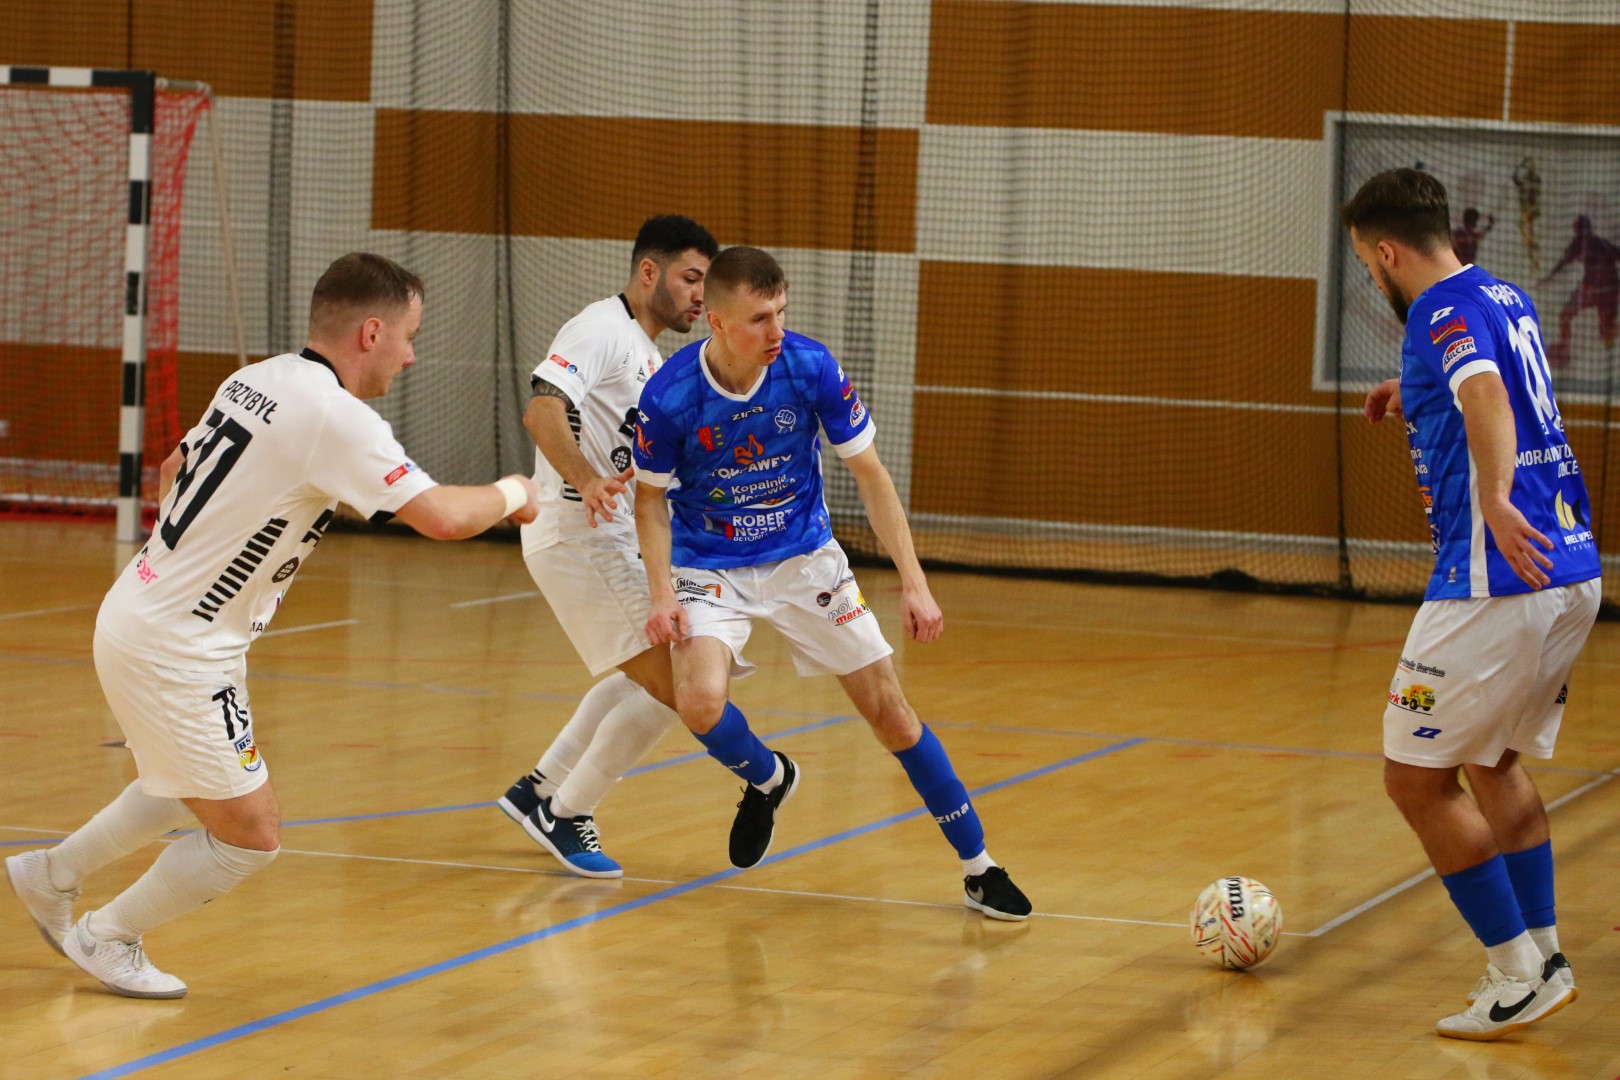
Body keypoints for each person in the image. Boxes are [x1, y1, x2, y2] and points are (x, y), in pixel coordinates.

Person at [4, 253, 539, 999]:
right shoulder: (335, 417)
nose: (411, 356)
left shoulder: (254, 378)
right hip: (176, 648)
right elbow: (445, 518)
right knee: (251, 835)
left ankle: (51, 874)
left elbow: (172, 469)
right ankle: (107, 936)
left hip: (147, 611)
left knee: (183, 785)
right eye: (410, 337)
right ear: (372, 332)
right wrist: (518, 490)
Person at [632, 245, 1032, 921]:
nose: (777, 330)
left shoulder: (809, 366)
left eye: (781, 312)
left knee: (892, 715)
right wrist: (662, 594)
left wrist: (914, 581)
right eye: (760, 318)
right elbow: (648, 502)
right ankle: (769, 778)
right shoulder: (670, 396)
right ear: (717, 323)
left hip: (804, 558)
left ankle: (980, 867)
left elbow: (871, 475)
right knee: (698, 703)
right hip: (709, 563)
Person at [1344, 169, 1600, 1040]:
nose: (1372, 275)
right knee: (1492, 764)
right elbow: (1497, 387)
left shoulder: (1434, 310)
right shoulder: (1501, 293)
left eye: (1366, 263)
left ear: (1386, 252)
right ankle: (1546, 958)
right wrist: (1414, 394)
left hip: (1498, 577)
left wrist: (1493, 496)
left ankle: (1515, 974)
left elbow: (1486, 393)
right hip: (1569, 566)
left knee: (1415, 781)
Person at [496, 215, 740, 878]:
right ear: (648, 271)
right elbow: (543, 408)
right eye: (691, 278)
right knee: (676, 685)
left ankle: (540, 790)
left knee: (653, 672)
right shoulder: (601, 328)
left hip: (609, 535)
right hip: (577, 533)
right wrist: (585, 478)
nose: (701, 295)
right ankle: (566, 811)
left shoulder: (651, 354)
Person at [1538, 214, 1619, 368]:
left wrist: (1548, 278)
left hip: (1595, 289)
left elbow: (1563, 263)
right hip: (1610, 289)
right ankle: (1565, 349)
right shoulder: (1602, 243)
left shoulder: (1579, 243)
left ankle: (1564, 349)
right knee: (1605, 330)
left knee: (1566, 315)